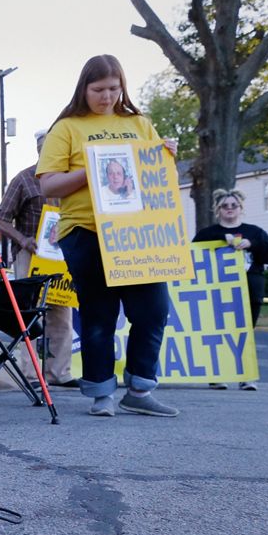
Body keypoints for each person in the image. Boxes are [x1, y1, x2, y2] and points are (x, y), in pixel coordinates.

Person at [37, 54, 179, 418]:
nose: (106, 96)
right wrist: (93, 170)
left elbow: (152, 176)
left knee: (153, 311)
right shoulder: (66, 127)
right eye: (98, 89)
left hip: (137, 232)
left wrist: (164, 157)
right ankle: (102, 394)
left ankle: (140, 387)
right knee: (99, 315)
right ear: (83, 88)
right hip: (84, 230)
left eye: (114, 89)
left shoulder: (139, 123)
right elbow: (48, 185)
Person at [0, 128, 78, 388]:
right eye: (45, 146)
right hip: (31, 256)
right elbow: (0, 219)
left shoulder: (70, 178)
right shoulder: (24, 179)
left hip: (63, 257)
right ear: (39, 149)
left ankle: (59, 373)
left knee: (62, 313)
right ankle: (31, 375)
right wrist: (23, 240)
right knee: (31, 314)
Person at [193, 188, 268, 391]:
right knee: (219, 332)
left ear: (241, 208)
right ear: (218, 210)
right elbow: (193, 257)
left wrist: (253, 244)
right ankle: (218, 375)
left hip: (250, 288)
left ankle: (246, 376)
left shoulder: (255, 232)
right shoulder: (208, 234)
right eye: (225, 206)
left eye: (234, 205)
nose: (230, 209)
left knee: (246, 332)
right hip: (217, 291)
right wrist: (221, 244)